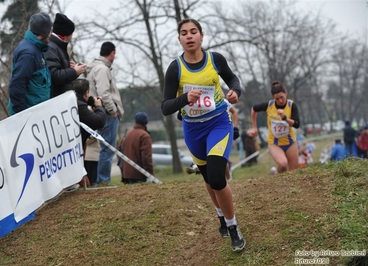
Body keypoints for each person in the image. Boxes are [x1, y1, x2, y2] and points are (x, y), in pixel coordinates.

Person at [161, 18, 245, 251]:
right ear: (179, 39)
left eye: (193, 32)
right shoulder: (175, 68)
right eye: (184, 33)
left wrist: (235, 92)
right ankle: (220, 214)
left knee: (218, 177)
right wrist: (184, 99)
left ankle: (233, 226)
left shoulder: (215, 59)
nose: (189, 36)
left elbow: (233, 80)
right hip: (193, 129)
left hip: (219, 123)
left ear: (201, 36)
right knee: (208, 179)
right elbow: (166, 106)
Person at [87, 42, 124, 185]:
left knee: (105, 149)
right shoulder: (102, 69)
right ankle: (103, 181)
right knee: (107, 149)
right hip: (107, 113)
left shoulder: (96, 68)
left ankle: (101, 180)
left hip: (101, 111)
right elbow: (104, 93)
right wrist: (113, 110)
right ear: (112, 53)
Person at [8, 12, 53, 115]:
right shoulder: (28, 53)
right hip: (30, 118)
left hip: (38, 115)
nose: (51, 35)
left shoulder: (37, 49)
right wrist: (22, 116)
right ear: (44, 32)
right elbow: (17, 86)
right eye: (50, 31)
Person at [251, 80, 300, 173]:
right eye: (277, 99)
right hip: (274, 143)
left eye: (281, 97)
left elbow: (297, 124)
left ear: (286, 93)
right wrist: (254, 127)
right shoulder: (269, 105)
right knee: (283, 164)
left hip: (290, 142)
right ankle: (278, 180)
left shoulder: (291, 105)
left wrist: (284, 118)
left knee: (294, 172)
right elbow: (253, 109)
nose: (280, 101)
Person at [45, 13, 87, 97]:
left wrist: (70, 68)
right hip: (56, 99)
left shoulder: (56, 46)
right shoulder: (51, 48)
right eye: (71, 33)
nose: (72, 36)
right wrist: (74, 71)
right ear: (64, 35)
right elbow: (54, 76)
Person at [117, 112, 154, 184]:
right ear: (146, 122)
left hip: (127, 173)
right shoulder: (144, 136)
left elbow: (119, 149)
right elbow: (146, 157)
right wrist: (150, 174)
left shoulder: (127, 134)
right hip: (139, 174)